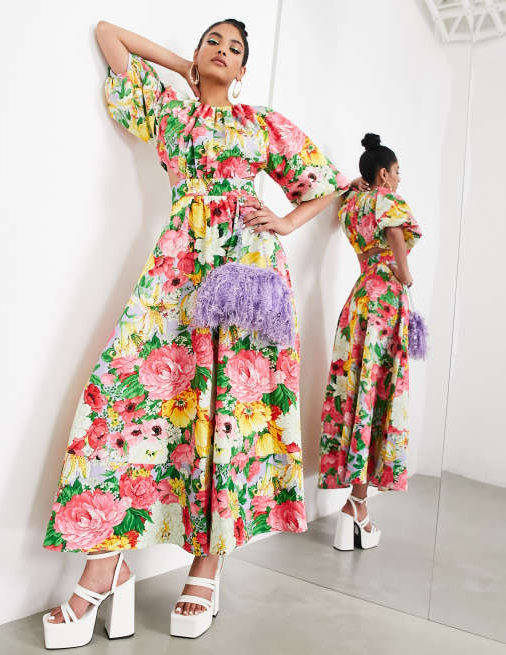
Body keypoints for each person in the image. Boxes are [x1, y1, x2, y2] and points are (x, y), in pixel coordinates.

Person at [42, 18, 364, 647]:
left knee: (230, 417)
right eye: (212, 42)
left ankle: (206, 568)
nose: (222, 51)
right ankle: (106, 568)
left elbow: (325, 183)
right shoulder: (170, 113)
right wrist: (180, 67)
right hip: (178, 269)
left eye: (234, 49)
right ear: (197, 53)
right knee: (122, 400)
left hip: (247, 278)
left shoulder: (261, 123)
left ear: (244, 70)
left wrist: (285, 222)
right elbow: (109, 34)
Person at [318, 133, 422, 551]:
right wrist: (405, 274)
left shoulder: (352, 204)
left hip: (360, 299)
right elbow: (395, 234)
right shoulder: (386, 200)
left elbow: (342, 192)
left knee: (357, 393)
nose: (399, 178)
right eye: (396, 172)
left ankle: (356, 505)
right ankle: (357, 505)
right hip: (386, 300)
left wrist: (353, 184)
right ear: (383, 174)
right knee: (377, 392)